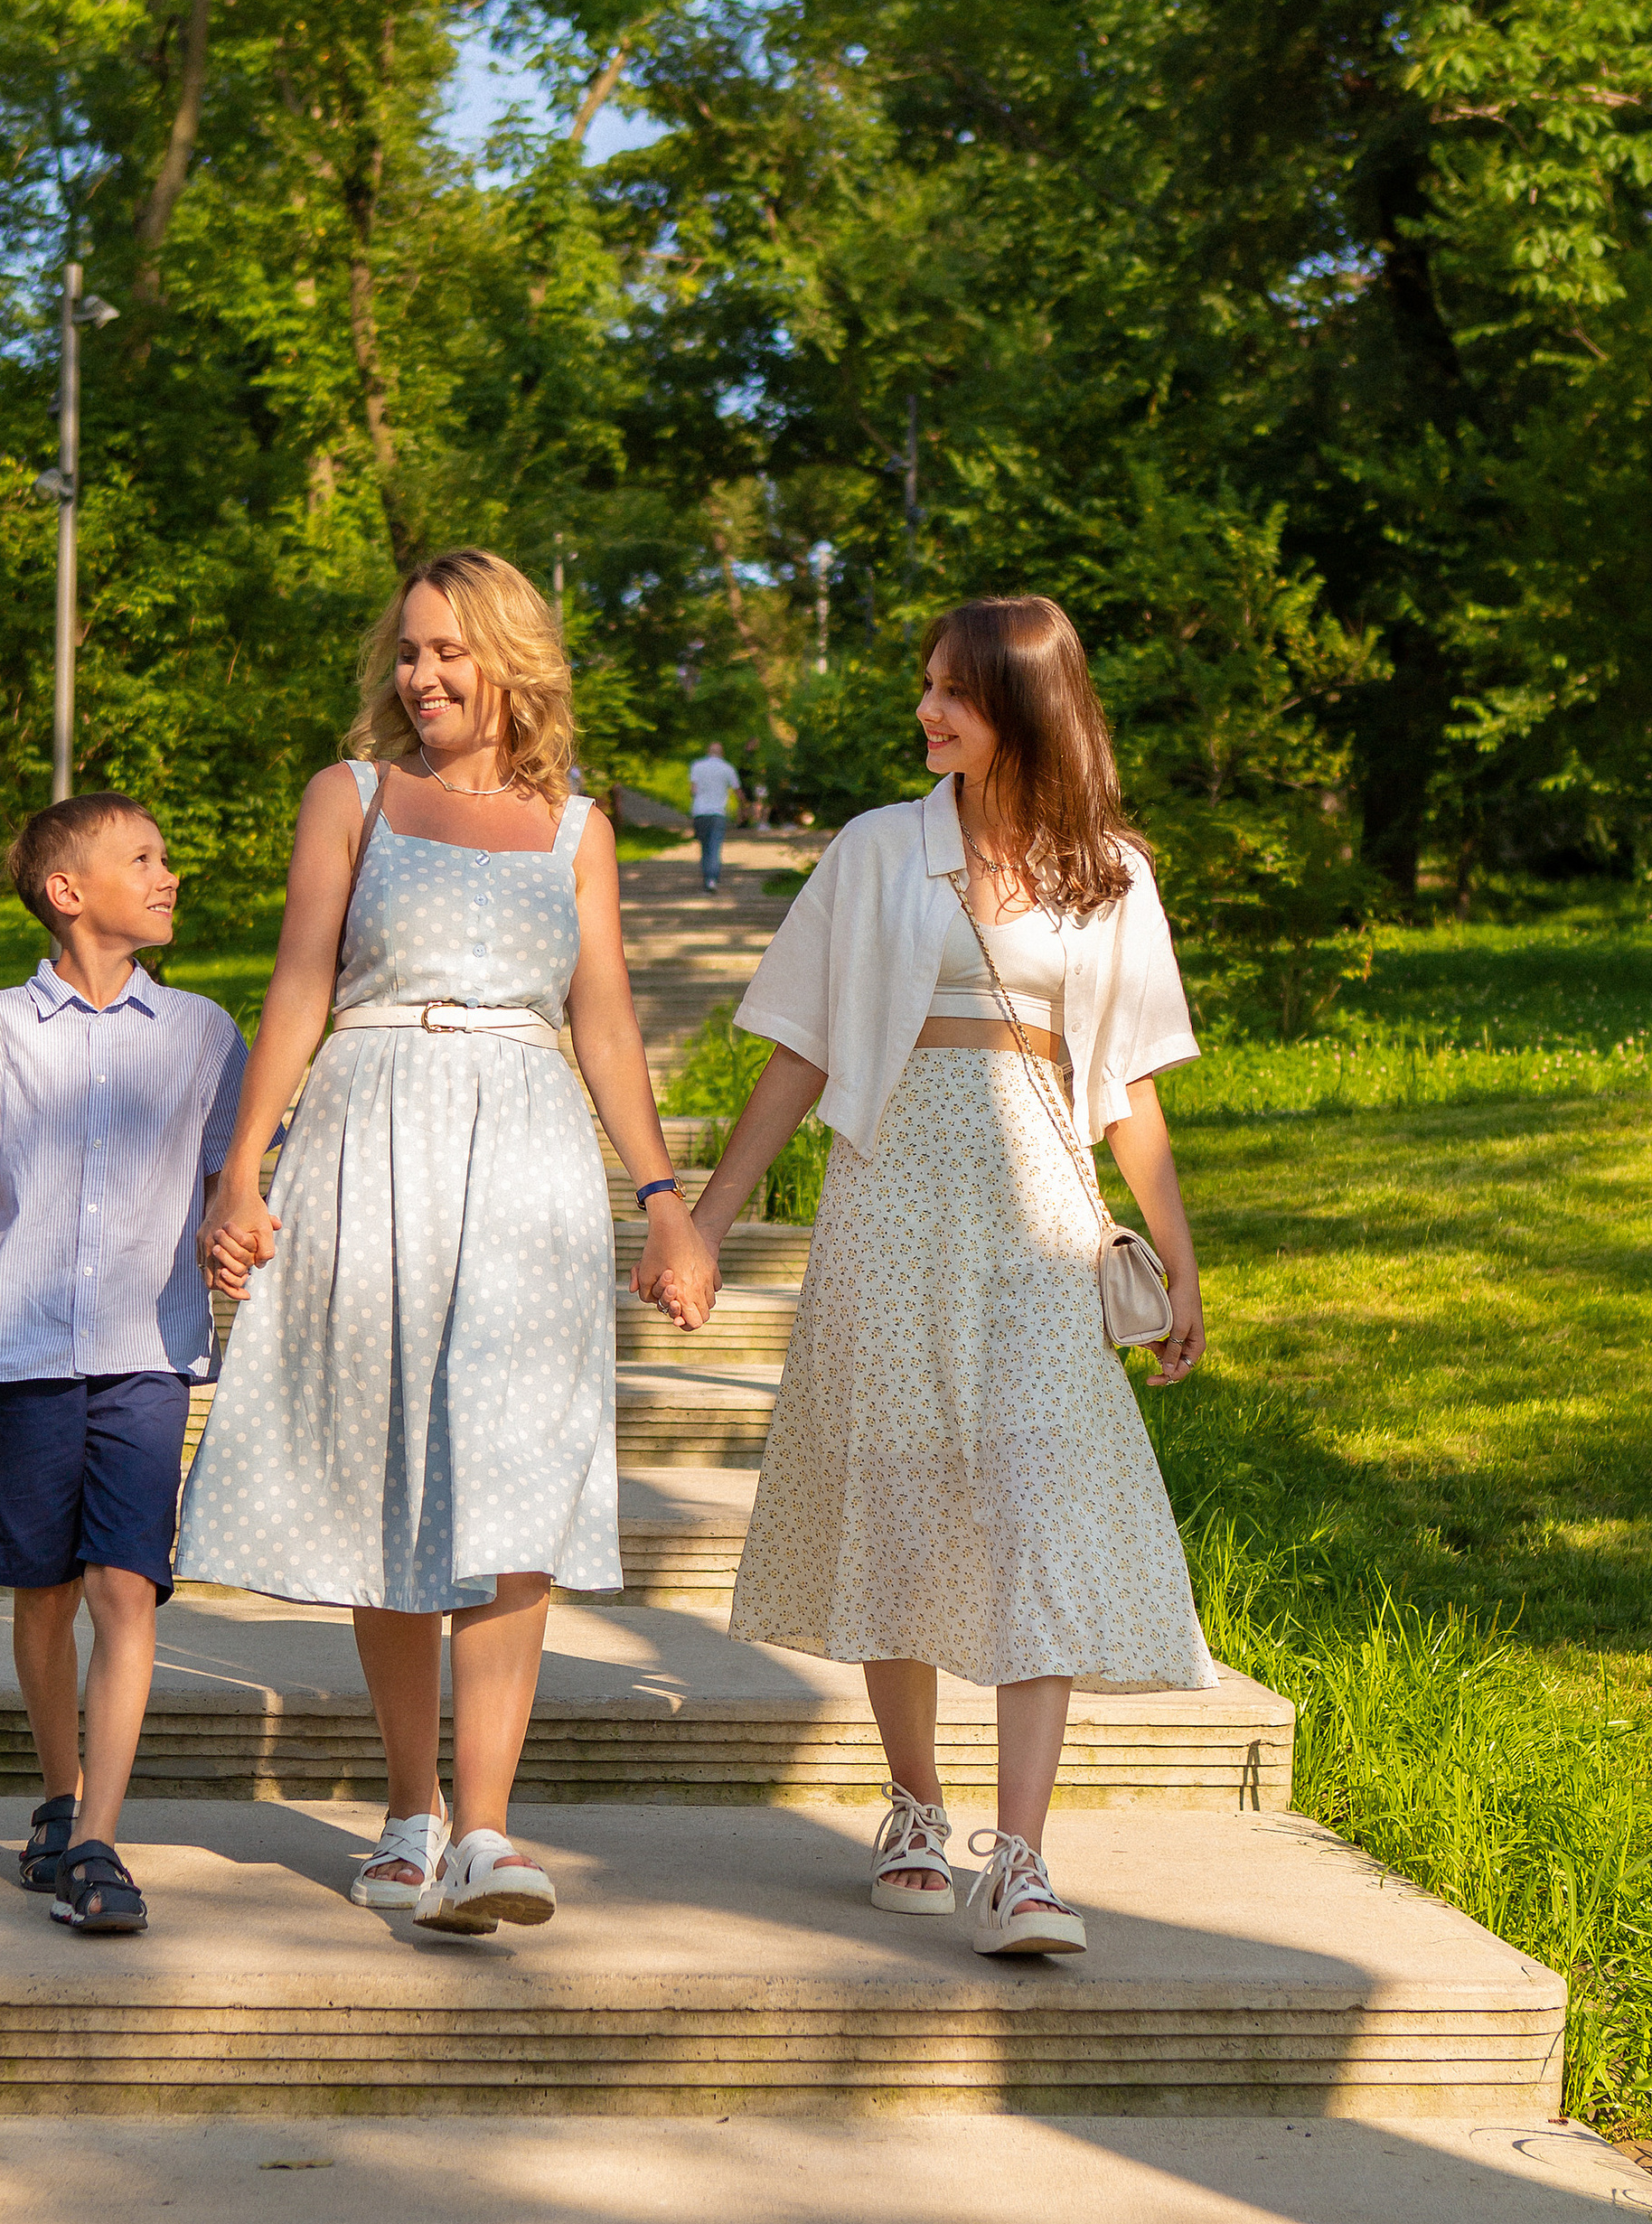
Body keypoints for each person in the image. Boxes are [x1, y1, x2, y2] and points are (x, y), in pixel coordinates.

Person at [175, 549, 717, 1931]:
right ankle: (411, 1811)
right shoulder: (350, 796)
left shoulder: (577, 828)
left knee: (520, 1474)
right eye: (409, 651)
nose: (422, 675)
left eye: (449, 651)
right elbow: (300, 981)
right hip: (372, 1127)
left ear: (512, 660)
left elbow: (606, 1020)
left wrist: (664, 1200)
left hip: (530, 1152)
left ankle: (486, 1830)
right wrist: (241, 1172)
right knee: (394, 1473)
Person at [685, 593, 1214, 1955]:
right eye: (926, 685)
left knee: (1038, 1507)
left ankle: (1022, 1861)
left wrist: (1181, 1259)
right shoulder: (876, 849)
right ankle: (916, 1806)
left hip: (1039, 1218)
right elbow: (799, 1050)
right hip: (889, 1204)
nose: (927, 710)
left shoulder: (1111, 874)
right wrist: (708, 1218)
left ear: (1025, 707)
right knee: (900, 1494)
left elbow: (1129, 1090)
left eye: (955, 693)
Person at [0, 795, 245, 1937]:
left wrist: (235, 1240)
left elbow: (230, 1183)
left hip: (149, 1355)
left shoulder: (202, 1032)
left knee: (125, 1585)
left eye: (165, 854)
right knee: (43, 1590)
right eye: (143, 857)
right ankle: (56, 1795)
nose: (169, 873)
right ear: (67, 891)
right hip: (29, 1353)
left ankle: (97, 1836)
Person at [688, 741, 740, 890]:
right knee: (715, 846)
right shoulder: (728, 768)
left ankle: (707, 877)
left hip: (700, 812)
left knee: (704, 847)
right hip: (718, 813)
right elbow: (737, 790)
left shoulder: (697, 766)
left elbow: (693, 790)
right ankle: (712, 879)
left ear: (708, 751)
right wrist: (743, 810)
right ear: (722, 753)